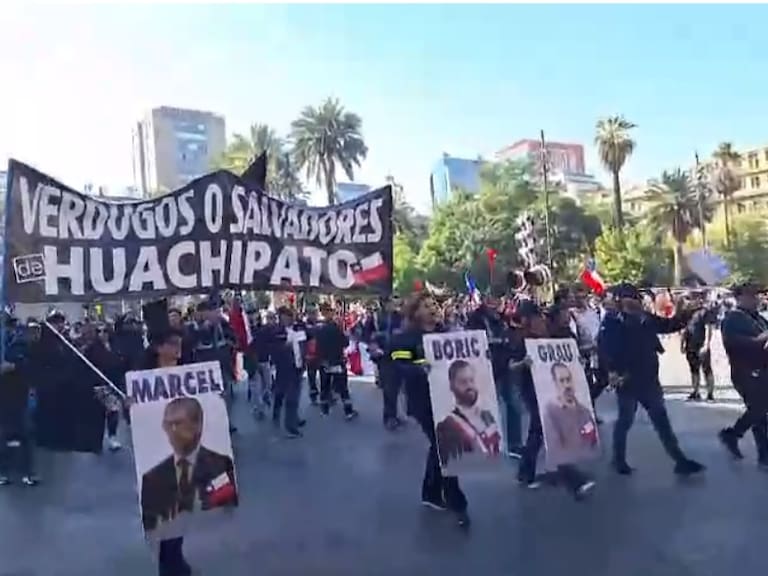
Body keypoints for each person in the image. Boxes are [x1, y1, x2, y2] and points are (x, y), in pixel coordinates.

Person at [141, 325, 237, 576]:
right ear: (158, 347)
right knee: (164, 516)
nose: (178, 348)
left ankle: (175, 558)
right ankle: (169, 565)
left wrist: (214, 398)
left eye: (179, 343)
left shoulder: (190, 372)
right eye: (172, 343)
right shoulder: (144, 377)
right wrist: (131, 406)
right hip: (157, 454)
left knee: (182, 511)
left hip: (186, 460)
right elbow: (139, 417)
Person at [598, 282, 705, 477]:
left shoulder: (643, 317)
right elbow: (605, 348)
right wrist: (612, 371)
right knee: (625, 420)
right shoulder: (612, 321)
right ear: (621, 300)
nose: (635, 301)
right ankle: (618, 459)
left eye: (635, 297)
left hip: (648, 378)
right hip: (628, 379)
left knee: (660, 421)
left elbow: (668, 325)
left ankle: (679, 460)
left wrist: (686, 313)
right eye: (630, 298)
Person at [391, 292, 470, 528]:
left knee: (439, 445)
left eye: (434, 304)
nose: (433, 308)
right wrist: (420, 367)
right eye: (426, 305)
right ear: (415, 312)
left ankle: (431, 492)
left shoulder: (445, 334)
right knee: (443, 445)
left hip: (446, 397)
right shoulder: (405, 337)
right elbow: (399, 363)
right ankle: (457, 502)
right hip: (422, 400)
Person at [512, 301, 596, 499]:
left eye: (540, 317)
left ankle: (525, 472)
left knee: (538, 431)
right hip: (531, 390)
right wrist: (523, 363)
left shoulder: (548, 336)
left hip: (548, 387)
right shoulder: (520, 340)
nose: (540, 321)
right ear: (527, 321)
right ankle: (573, 479)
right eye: (535, 318)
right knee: (548, 429)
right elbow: (510, 366)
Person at [140, 395, 238, 531]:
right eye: (168, 424)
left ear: (198, 425)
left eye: (179, 423)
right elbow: (149, 526)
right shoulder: (152, 478)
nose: (173, 431)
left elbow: (227, 512)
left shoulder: (220, 465)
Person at [718, 281, 768, 467]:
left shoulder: (759, 319)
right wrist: (759, 340)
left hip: (762, 369)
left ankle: (762, 454)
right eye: (750, 295)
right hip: (744, 371)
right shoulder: (732, 318)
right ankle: (733, 435)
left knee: (760, 413)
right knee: (759, 408)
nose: (755, 299)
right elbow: (733, 343)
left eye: (756, 295)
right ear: (739, 298)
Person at [466, 294, 523, 458]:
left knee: (513, 404)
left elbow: (512, 339)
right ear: (484, 300)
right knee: (482, 407)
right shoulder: (476, 318)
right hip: (485, 368)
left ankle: (515, 444)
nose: (497, 302)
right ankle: (480, 441)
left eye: (499, 299)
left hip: (505, 367)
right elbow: (471, 342)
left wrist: (513, 354)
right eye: (493, 298)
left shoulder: (505, 318)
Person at [436, 360, 501, 464]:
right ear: (451, 386)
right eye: (463, 382)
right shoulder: (447, 425)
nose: (469, 386)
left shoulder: (488, 417)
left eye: (471, 380)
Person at [543, 362, 599, 466]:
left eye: (568, 379)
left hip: (584, 464)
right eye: (562, 381)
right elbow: (556, 448)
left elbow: (592, 440)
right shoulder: (550, 412)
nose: (567, 385)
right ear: (555, 383)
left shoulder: (585, 412)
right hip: (565, 466)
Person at [84, 323, 127, 451]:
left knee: (113, 411)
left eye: (105, 331)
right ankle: (98, 440)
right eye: (99, 331)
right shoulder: (92, 348)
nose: (102, 334)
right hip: (98, 384)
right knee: (101, 414)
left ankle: (112, 436)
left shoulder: (116, 346)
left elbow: (121, 363)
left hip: (113, 383)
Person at [315, 303, 359, 420]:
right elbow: (345, 342)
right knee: (343, 387)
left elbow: (317, 346)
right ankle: (348, 412)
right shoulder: (336, 327)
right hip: (337, 361)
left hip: (324, 362)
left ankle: (324, 411)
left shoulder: (319, 328)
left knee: (325, 387)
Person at [271, 307, 306, 438]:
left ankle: (293, 419)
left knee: (293, 396)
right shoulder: (277, 332)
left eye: (289, 316)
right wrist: (283, 347)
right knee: (288, 396)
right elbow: (273, 349)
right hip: (285, 368)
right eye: (283, 317)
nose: (286, 320)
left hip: (297, 367)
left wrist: (304, 362)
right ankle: (289, 426)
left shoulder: (299, 328)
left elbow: (304, 345)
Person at [681, 295, 717, 402]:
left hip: (701, 345)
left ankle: (710, 394)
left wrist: (707, 344)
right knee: (693, 369)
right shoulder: (687, 314)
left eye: (691, 299)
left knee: (706, 369)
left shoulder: (705, 312)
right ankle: (695, 392)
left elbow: (709, 328)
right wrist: (682, 344)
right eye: (688, 299)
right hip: (690, 345)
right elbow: (684, 330)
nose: (689, 301)